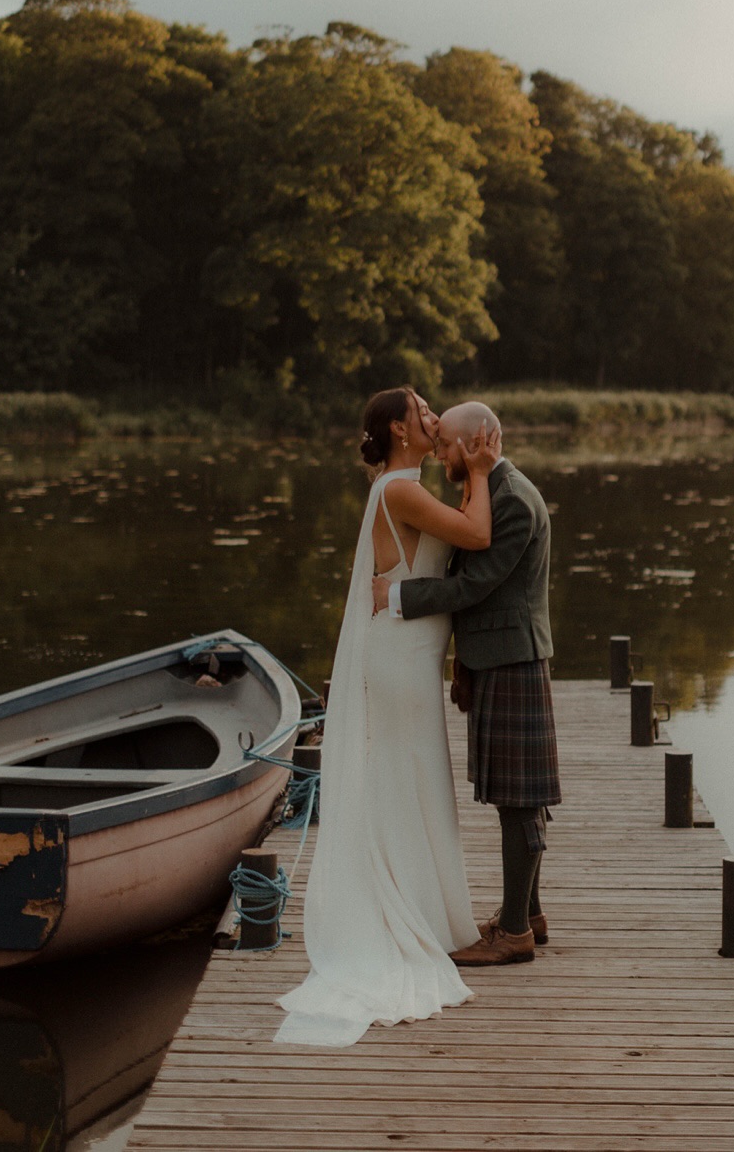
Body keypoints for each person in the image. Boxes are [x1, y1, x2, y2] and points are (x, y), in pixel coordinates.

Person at [275, 386, 498, 1047]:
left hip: (413, 657)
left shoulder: (409, 489)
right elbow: (479, 534)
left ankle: (425, 914)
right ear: (401, 430)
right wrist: (482, 472)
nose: (435, 419)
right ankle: (404, 919)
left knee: (415, 784)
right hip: (397, 662)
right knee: (403, 783)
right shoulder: (398, 491)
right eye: (425, 413)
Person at [373, 401, 560, 967]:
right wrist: (463, 661)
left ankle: (513, 934)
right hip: (495, 657)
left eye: (452, 445)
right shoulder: (492, 490)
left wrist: (397, 597)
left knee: (519, 800)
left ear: (482, 440)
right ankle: (525, 914)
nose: (445, 455)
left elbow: (472, 586)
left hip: (514, 661)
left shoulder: (512, 502)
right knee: (515, 796)